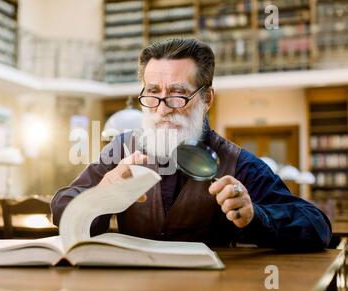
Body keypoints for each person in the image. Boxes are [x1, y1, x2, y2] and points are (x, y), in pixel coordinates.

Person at [51, 38, 331, 251]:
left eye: (178, 94)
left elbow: (317, 226)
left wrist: (255, 215)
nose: (162, 109)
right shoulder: (121, 150)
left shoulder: (237, 162)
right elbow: (61, 206)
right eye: (153, 93)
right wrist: (101, 194)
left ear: (207, 99)